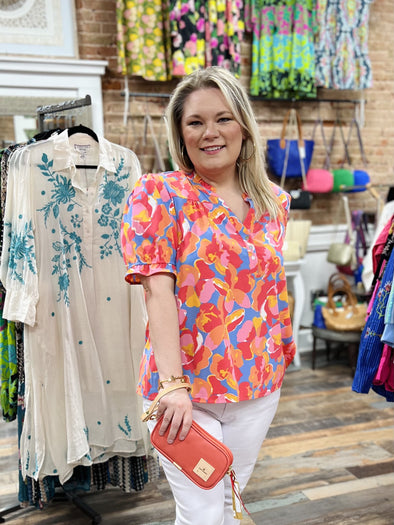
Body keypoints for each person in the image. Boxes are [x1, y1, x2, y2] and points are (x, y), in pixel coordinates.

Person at [121, 66, 296, 524]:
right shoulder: (159, 194)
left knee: (227, 500)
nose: (210, 133)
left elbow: (272, 290)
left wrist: (281, 355)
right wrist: (173, 385)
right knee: (199, 511)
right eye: (195, 122)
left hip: (257, 385)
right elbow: (157, 292)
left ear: (244, 125)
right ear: (181, 134)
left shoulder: (275, 203)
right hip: (184, 389)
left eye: (223, 118)